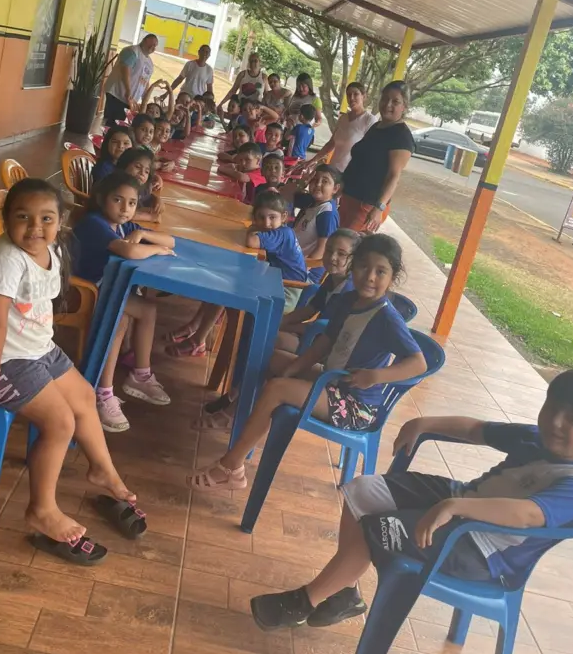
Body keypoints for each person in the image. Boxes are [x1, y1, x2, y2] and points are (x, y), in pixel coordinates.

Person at [249, 368, 573, 630]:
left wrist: (455, 507)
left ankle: (303, 602)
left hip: (480, 548)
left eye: (572, 420)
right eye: (551, 407)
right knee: (362, 491)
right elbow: (477, 429)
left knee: (376, 528)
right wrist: (424, 423)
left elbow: (527, 514)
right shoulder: (534, 437)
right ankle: (344, 592)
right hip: (461, 499)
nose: (555, 422)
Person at [0, 178, 140, 563]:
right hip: (0, 360)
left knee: (84, 396)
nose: (35, 227)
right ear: (5, 219)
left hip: (36, 350)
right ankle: (42, 510)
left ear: (60, 221)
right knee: (60, 423)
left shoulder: (51, 249)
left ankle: (102, 470)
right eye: (23, 217)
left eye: (46, 218)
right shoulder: (5, 260)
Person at [187, 235, 425, 492]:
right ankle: (234, 413)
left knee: (276, 389)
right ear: (353, 266)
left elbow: (418, 363)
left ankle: (231, 468)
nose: (369, 277)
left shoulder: (387, 317)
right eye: (363, 266)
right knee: (272, 360)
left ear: (392, 277)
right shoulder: (347, 300)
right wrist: (294, 368)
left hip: (356, 405)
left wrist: (376, 376)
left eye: (380, 271)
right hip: (332, 380)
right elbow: (324, 343)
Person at [72, 172, 175, 426]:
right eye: (117, 200)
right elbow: (128, 250)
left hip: (106, 287)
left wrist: (141, 233)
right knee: (120, 317)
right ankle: (103, 393)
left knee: (147, 310)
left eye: (131, 203)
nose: (125, 208)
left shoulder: (122, 227)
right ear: (101, 199)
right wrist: (155, 248)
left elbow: (171, 240)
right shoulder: (94, 223)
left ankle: (141, 375)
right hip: (83, 292)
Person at [167, 191, 307, 362]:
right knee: (224, 278)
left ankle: (198, 341)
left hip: (286, 292)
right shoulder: (280, 231)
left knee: (227, 285)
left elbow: (251, 241)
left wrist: (254, 229)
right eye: (261, 217)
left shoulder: (281, 234)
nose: (266, 223)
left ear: (284, 217)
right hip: (276, 282)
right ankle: (194, 327)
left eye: (272, 217)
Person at [340, 80, 415, 232]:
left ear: (404, 106)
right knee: (334, 238)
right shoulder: (376, 127)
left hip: (366, 205)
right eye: (385, 99)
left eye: (395, 101)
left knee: (346, 242)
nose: (388, 104)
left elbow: (394, 176)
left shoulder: (402, 136)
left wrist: (379, 207)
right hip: (349, 196)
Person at [274, 228, 358, 359]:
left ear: (354, 259)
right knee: (268, 331)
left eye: (341, 254)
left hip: (324, 352)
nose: (332, 257)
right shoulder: (332, 278)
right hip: (312, 337)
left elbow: (320, 329)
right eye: (329, 250)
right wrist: (281, 322)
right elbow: (311, 309)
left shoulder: (348, 292)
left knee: (271, 339)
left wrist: (284, 326)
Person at [302, 81, 377, 174]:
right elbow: (331, 144)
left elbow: (370, 153)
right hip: (333, 170)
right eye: (349, 95)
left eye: (356, 94)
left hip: (350, 174)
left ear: (364, 96)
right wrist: (313, 160)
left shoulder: (369, 120)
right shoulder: (343, 118)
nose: (351, 98)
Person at [288, 164, 341, 278]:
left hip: (306, 272)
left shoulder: (327, 213)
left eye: (325, 181)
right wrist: (302, 182)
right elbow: (285, 194)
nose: (318, 184)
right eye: (314, 179)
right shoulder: (311, 201)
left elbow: (322, 250)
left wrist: (300, 269)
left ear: (335, 189)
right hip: (292, 259)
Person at [103, 34, 158, 124]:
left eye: (155, 45)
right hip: (118, 94)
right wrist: (128, 91)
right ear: (144, 41)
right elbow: (125, 70)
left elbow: (146, 81)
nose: (152, 47)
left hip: (131, 100)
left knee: (122, 124)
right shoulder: (132, 51)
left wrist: (144, 100)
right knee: (112, 122)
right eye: (151, 44)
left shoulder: (150, 63)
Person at [116, 146, 163, 220]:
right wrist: (149, 217)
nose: (142, 173)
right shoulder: (117, 187)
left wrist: (156, 200)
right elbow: (117, 213)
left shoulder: (143, 188)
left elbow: (147, 198)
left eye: (146, 171)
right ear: (124, 165)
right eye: (137, 167)